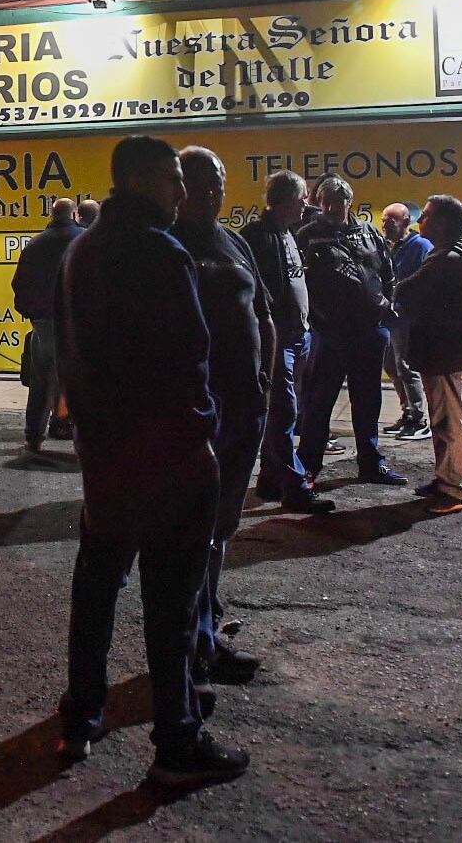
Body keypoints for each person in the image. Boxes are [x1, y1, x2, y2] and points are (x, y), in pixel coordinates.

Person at [55, 135, 242, 786]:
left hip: (106, 456)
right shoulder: (161, 252)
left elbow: (73, 354)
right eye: (171, 179)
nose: (181, 192)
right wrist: (202, 431)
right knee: (171, 608)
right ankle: (177, 738)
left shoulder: (82, 251)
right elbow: (189, 356)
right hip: (168, 456)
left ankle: (81, 716)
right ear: (137, 179)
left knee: (96, 590)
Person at [171, 146, 273, 687]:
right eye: (202, 181)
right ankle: (192, 647)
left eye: (219, 182)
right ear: (179, 186)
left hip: (244, 407)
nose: (213, 191)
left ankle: (206, 633)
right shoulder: (167, 245)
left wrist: (267, 384)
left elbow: (264, 313)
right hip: (197, 415)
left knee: (223, 525)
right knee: (194, 531)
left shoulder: (234, 241)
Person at [296, 176, 406, 488]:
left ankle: (371, 463)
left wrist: (386, 306)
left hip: (370, 332)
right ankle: (307, 468)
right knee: (319, 403)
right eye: (327, 202)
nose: (333, 208)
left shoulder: (369, 232)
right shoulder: (308, 236)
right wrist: (317, 320)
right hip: (330, 334)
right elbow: (300, 283)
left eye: (339, 202)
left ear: (349, 202)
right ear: (319, 203)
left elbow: (388, 273)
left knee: (368, 400)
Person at [243, 171, 334, 515]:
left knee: (286, 414)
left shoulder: (288, 233)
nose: (305, 205)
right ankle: (296, 488)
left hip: (299, 335)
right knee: (284, 413)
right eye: (301, 199)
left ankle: (271, 479)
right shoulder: (258, 237)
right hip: (280, 338)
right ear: (285, 200)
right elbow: (258, 290)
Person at [395, 196, 462, 515]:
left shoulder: (447, 260)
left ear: (444, 223)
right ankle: (444, 477)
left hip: (444, 352)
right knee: (441, 419)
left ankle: (452, 489)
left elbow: (407, 290)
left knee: (449, 421)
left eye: (427, 216)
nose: (421, 221)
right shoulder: (451, 255)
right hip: (444, 351)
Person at [13, 199, 84, 456]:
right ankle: (84, 445)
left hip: (42, 326)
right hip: (75, 328)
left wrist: (31, 312)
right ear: (74, 215)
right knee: (79, 386)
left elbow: (18, 284)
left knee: (40, 385)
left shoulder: (35, 244)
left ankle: (34, 439)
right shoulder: (83, 241)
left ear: (53, 215)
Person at [380, 202, 432, 440]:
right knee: (392, 366)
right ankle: (407, 411)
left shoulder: (420, 246)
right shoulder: (388, 246)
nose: (385, 225)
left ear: (405, 221)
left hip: (407, 317)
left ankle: (419, 419)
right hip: (390, 317)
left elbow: (426, 281)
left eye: (390, 220)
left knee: (406, 367)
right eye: (383, 220)